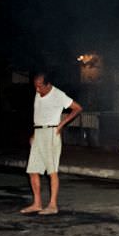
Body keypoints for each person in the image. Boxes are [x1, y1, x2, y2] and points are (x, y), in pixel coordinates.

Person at [20, 72, 83, 215]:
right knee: (33, 170)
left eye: (40, 86)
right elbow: (40, 115)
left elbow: (78, 108)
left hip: (51, 134)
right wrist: (34, 134)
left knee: (52, 171)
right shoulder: (38, 93)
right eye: (35, 86)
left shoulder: (58, 95)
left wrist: (61, 125)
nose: (37, 89)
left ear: (48, 84)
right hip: (39, 133)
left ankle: (53, 205)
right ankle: (37, 204)